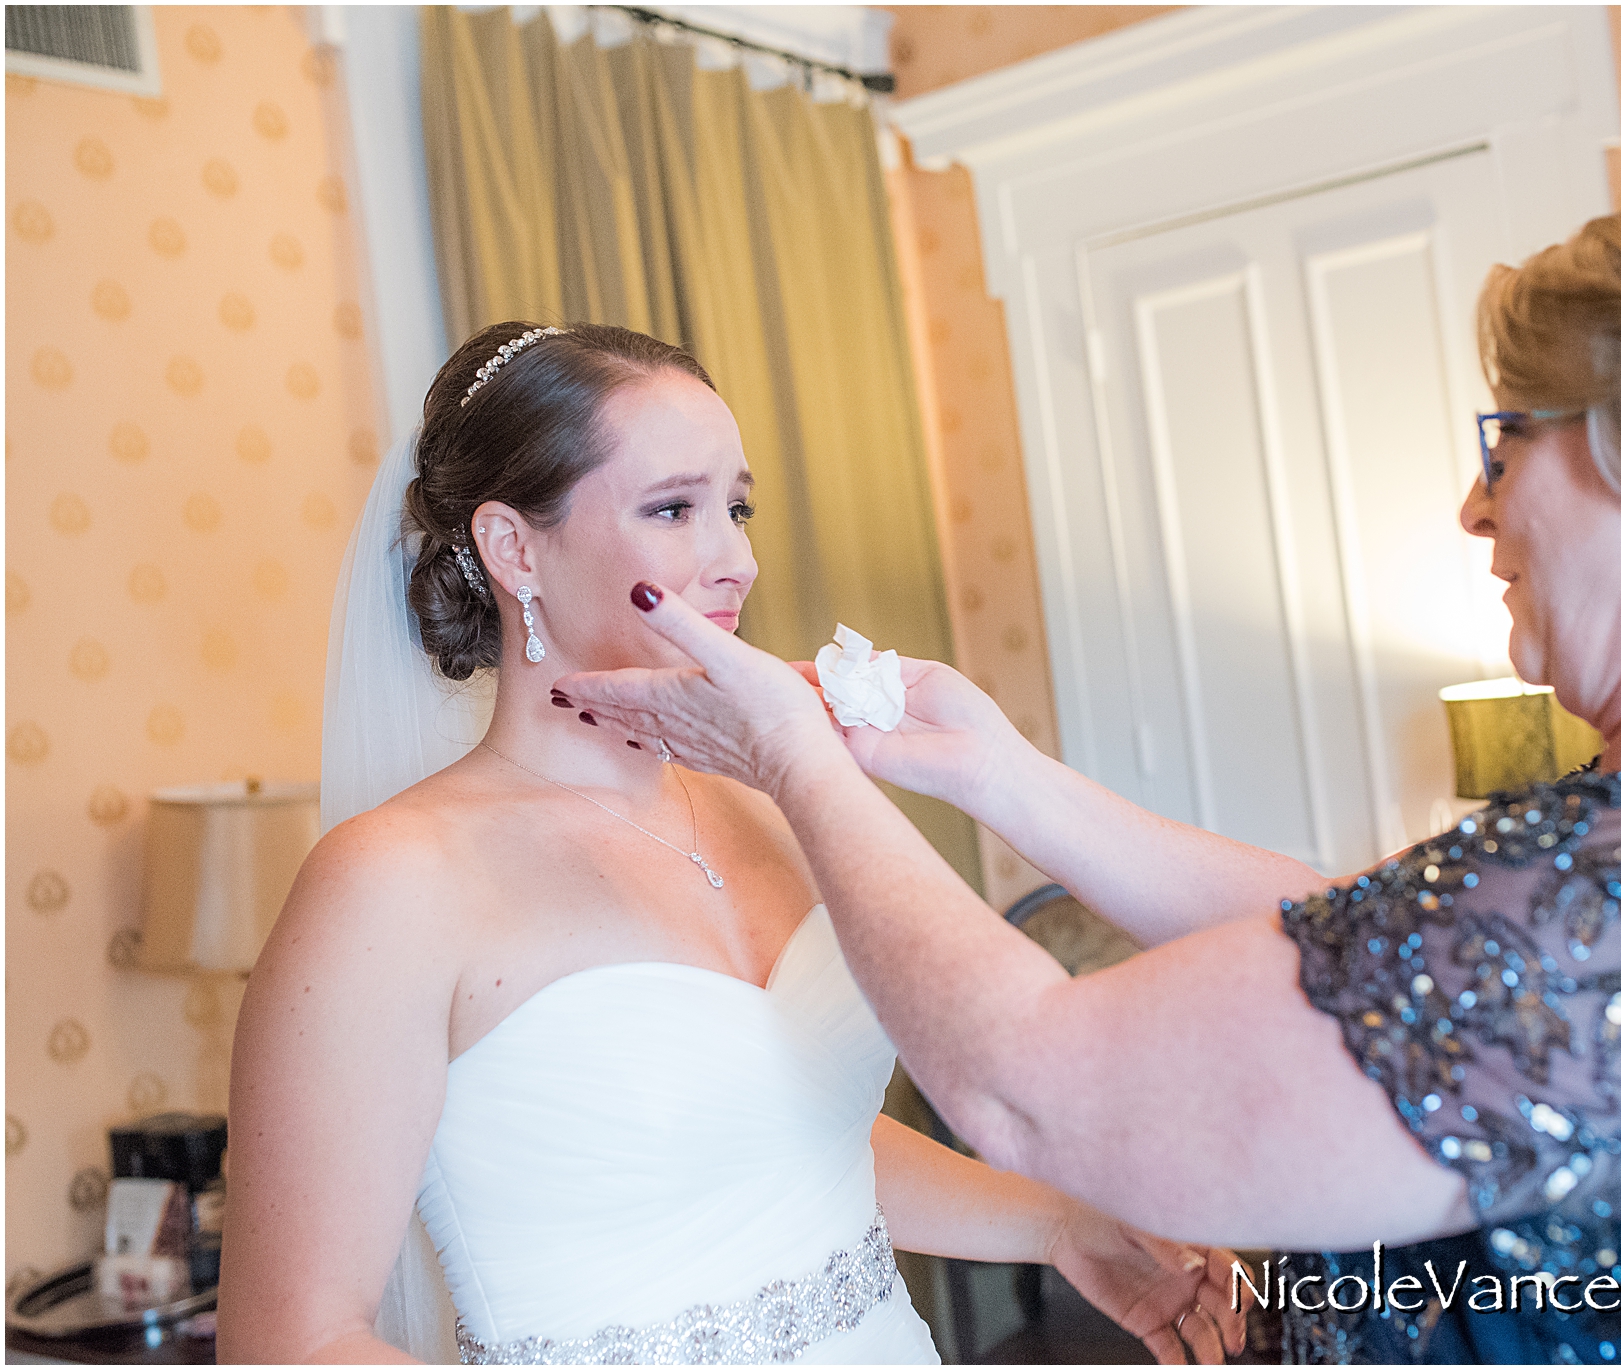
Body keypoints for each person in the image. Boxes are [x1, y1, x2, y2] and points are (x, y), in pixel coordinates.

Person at [555, 187, 1621, 1363]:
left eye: (1511, 436)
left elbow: (1030, 1094)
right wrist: (1006, 778)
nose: (1477, 500)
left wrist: (801, 761)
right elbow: (1402, 955)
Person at [218, 322, 1247, 1365]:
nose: (737, 557)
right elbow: (288, 1339)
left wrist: (1053, 1221)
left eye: (737, 505)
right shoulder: (393, 881)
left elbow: (786, 1146)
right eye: (673, 508)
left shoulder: (767, 801)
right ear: (513, 547)